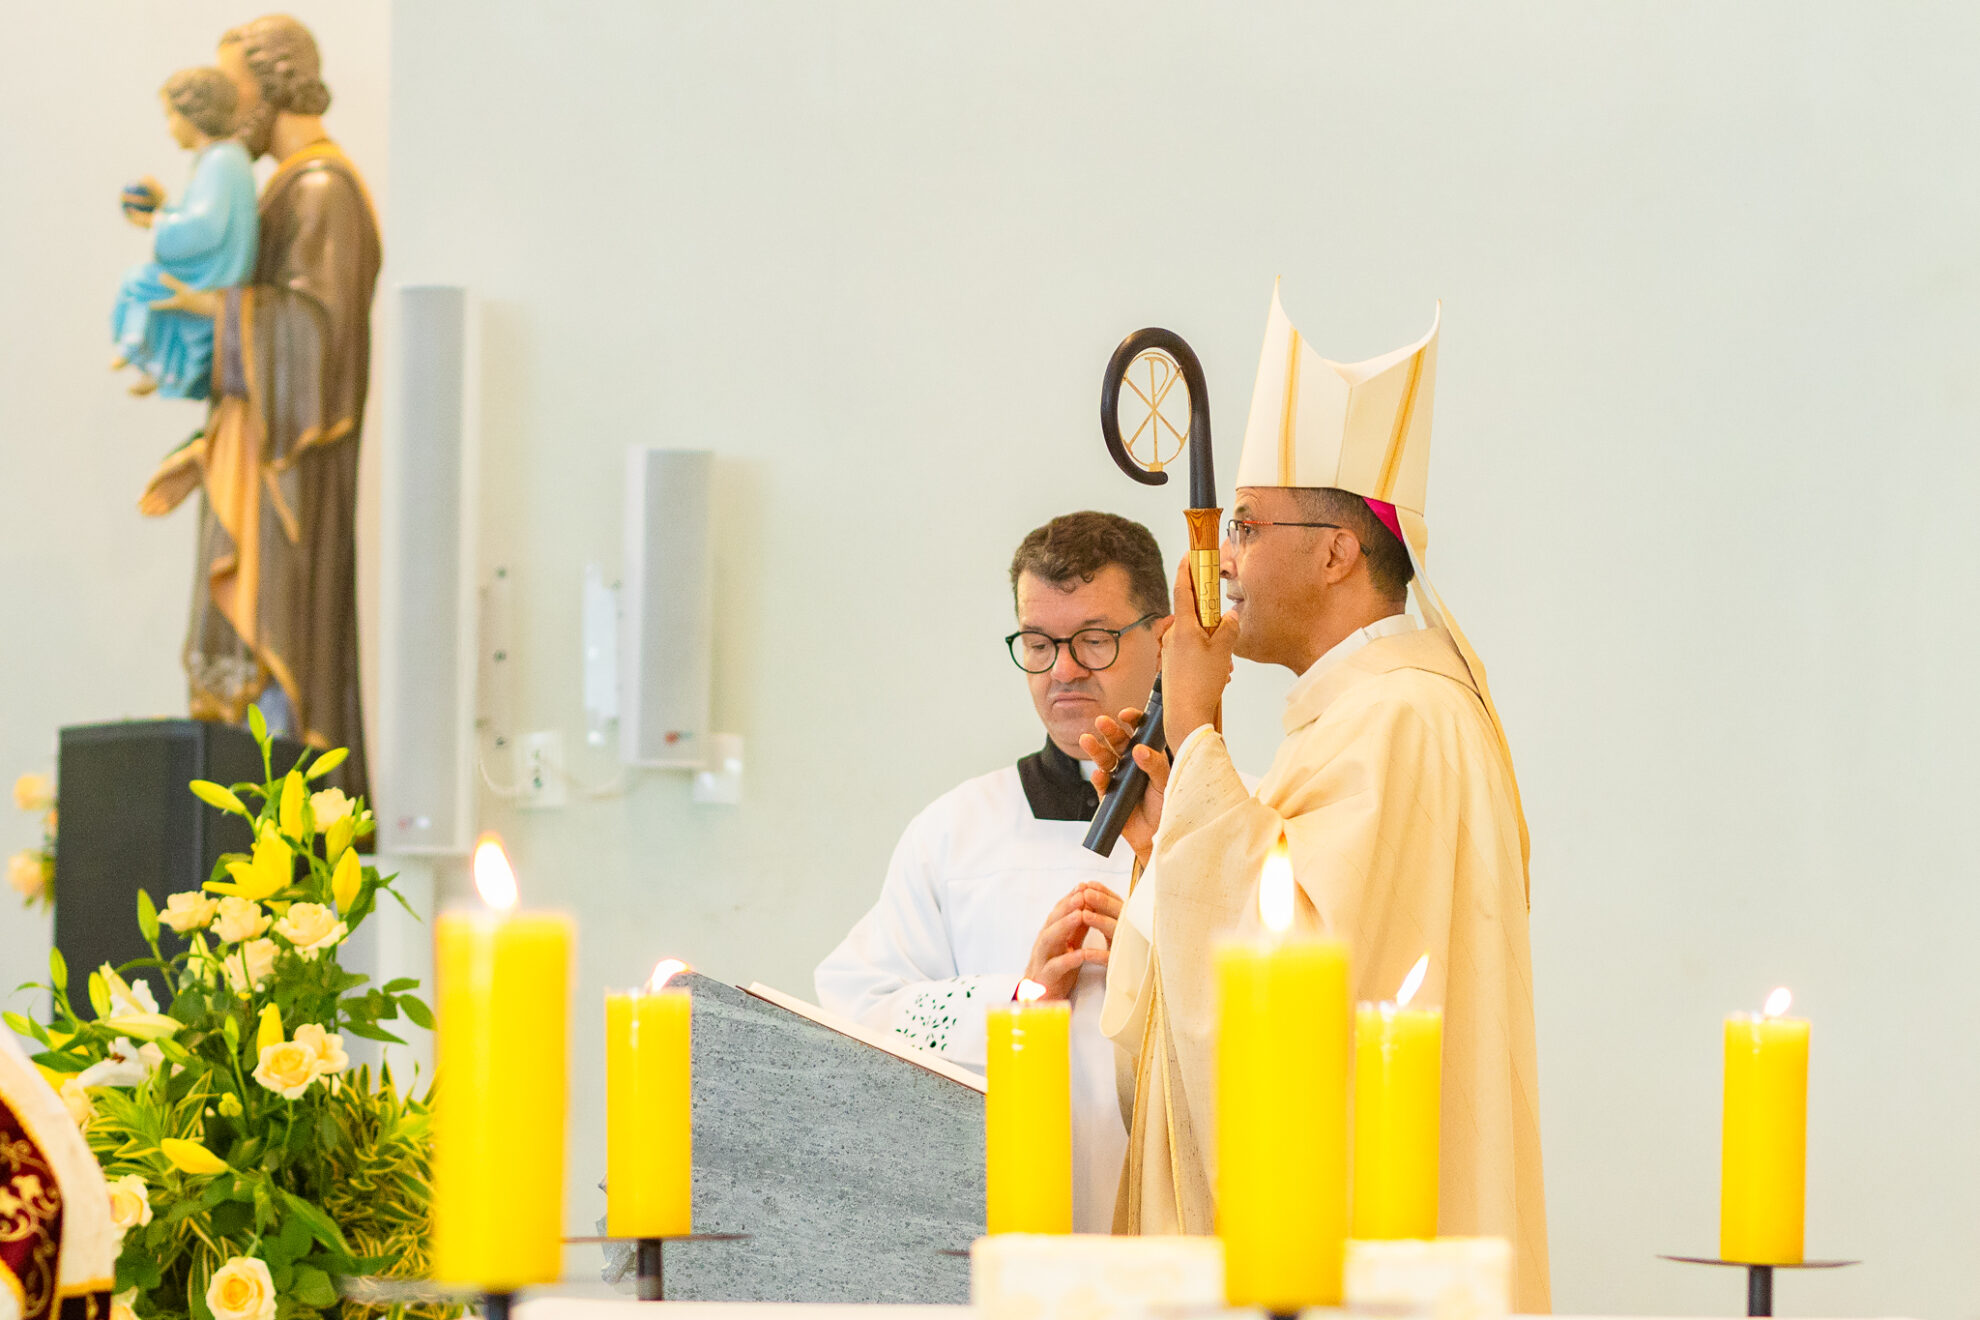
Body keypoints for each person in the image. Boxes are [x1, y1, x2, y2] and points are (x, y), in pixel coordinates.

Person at [1085, 287, 1547, 1309]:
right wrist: (1170, 840)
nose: (1226, 559)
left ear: (1339, 551)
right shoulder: (1360, 719)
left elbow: (1299, 1003)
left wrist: (1201, 733)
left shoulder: (1402, 723)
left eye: (1244, 527)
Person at [816, 511, 1169, 1232]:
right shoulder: (956, 834)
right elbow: (858, 1019)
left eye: (1093, 641)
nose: (1062, 670)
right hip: (998, 1239)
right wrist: (1018, 1001)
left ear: (1163, 641)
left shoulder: (1239, 823)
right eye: (1038, 644)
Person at [139, 15, 380, 801]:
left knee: (284, 649)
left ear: (273, 86)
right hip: (251, 449)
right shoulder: (278, 185)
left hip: (291, 471)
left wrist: (218, 311)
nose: (220, 102)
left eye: (233, 85)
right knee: (244, 682)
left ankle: (287, 844)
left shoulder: (322, 188)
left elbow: (318, 334)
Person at [110, 67, 258, 399]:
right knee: (145, 283)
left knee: (139, 282)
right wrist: (165, 209)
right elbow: (200, 218)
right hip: (212, 263)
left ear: (193, 117)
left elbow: (205, 228)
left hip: (215, 270)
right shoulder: (220, 159)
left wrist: (157, 222)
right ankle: (151, 363)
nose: (168, 129)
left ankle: (143, 357)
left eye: (171, 117)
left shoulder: (223, 161)